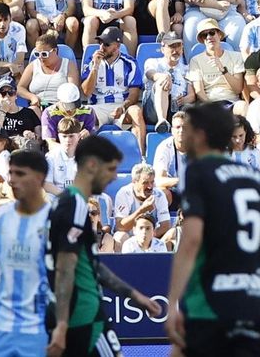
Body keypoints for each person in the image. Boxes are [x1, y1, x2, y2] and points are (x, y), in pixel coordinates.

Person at [163, 103, 260, 357]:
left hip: (211, 303)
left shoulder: (199, 171)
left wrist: (173, 304)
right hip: (254, 303)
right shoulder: (254, 177)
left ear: (201, 135)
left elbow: (191, 239)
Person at [48, 134, 162, 357]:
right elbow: (63, 268)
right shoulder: (75, 207)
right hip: (81, 317)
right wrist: (62, 325)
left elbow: (88, 263)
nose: (113, 178)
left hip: (86, 312)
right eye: (110, 169)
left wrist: (133, 295)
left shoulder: (75, 205)